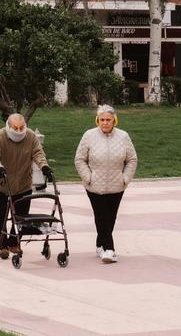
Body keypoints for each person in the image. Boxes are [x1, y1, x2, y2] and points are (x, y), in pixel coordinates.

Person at [75, 104, 138, 264]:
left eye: (108, 120)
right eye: (102, 119)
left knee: (110, 217)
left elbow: (132, 159)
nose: (105, 123)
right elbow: (80, 159)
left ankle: (100, 244)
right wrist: (87, 177)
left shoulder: (123, 136)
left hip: (117, 185)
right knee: (101, 216)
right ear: (97, 120)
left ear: (114, 120)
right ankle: (109, 250)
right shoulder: (89, 135)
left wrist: (125, 178)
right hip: (94, 185)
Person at [0, 113, 53, 257]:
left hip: (23, 184)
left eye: (21, 127)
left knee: (21, 217)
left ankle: (13, 242)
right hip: (1, 184)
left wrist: (44, 167)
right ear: (8, 126)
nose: (18, 131)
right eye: (15, 128)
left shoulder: (30, 137)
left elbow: (38, 153)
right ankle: (1, 245)